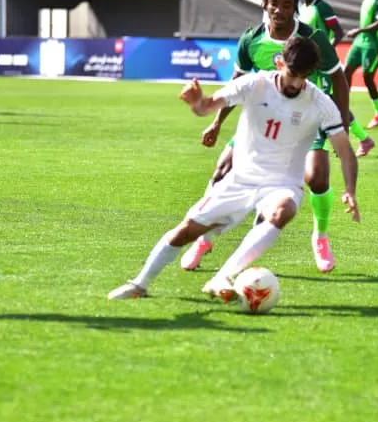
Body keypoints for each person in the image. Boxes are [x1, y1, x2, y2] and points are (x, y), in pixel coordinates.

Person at [108, 35, 360, 301]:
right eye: (292, 74)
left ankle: (223, 276)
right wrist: (196, 101)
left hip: (282, 184)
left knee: (283, 211)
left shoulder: (320, 103)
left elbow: (344, 150)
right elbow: (207, 107)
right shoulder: (254, 84)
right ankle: (140, 284)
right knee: (187, 230)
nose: (297, 83)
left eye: (304, 76)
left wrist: (350, 190)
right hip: (240, 180)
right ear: (279, 63)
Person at [183, 0, 352, 274]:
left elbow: (338, 78)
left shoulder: (313, 39)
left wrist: (342, 128)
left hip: (303, 122)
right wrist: (216, 123)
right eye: (275, 4)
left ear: (295, 8)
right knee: (222, 171)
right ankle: (204, 239)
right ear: (265, 3)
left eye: (287, 5)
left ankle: (320, 236)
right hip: (261, 123)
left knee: (317, 179)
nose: (280, 11)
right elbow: (237, 84)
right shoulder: (251, 40)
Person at [299, 0, 375, 156]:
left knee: (323, 102)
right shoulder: (300, 8)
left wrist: (326, 52)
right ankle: (364, 139)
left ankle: (322, 147)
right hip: (308, 64)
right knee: (330, 102)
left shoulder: (322, 7)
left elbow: (338, 32)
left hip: (324, 65)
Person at [345, 0, 378, 129]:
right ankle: (344, 107)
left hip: (372, 44)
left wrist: (359, 30)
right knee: (346, 72)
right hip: (359, 43)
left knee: (367, 78)